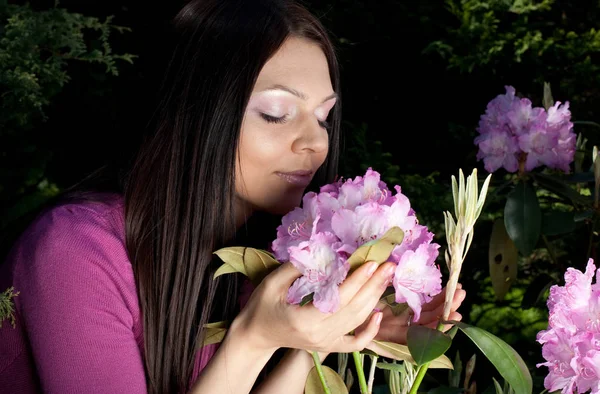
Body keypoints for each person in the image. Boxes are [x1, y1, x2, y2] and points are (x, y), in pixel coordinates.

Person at [0, 0, 466, 393]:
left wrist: (331, 329)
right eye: (277, 113)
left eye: (323, 117)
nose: (317, 143)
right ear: (195, 115)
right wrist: (254, 338)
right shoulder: (75, 251)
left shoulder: (261, 266)